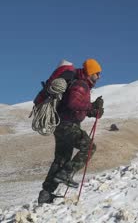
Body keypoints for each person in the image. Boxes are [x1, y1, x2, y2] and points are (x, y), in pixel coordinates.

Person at [38, 58, 104, 204]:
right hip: (67, 124)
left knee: (61, 159)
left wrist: (93, 109)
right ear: (91, 72)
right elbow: (73, 103)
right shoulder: (81, 84)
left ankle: (46, 193)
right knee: (89, 147)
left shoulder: (79, 83)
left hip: (60, 124)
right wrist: (91, 107)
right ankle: (66, 173)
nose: (99, 77)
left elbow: (78, 105)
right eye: (97, 73)